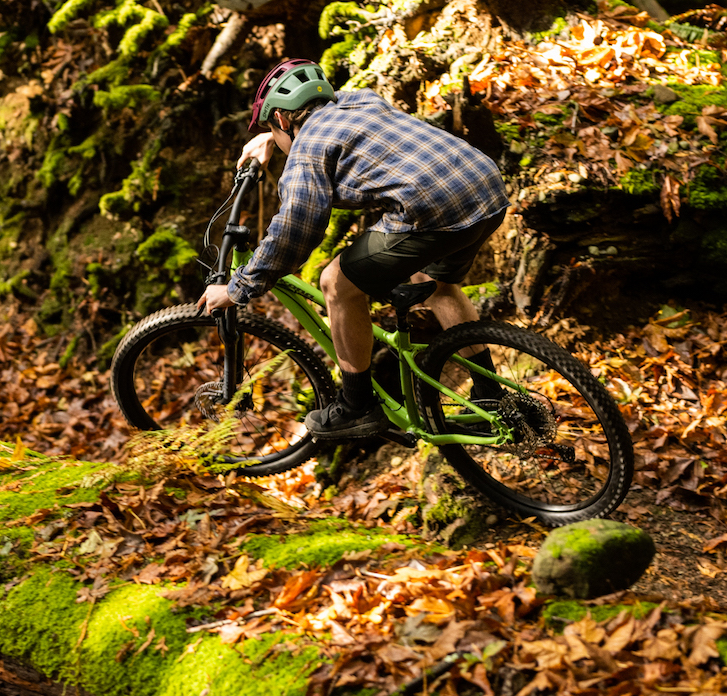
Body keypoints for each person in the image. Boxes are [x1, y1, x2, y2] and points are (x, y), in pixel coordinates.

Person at [196, 58, 510, 441]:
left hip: (431, 211)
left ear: (280, 118)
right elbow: (327, 112)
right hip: (485, 188)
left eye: (271, 128)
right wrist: (272, 137)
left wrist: (237, 288)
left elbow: (294, 231)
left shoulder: (306, 152)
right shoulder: (360, 100)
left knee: (335, 282)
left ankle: (357, 406)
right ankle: (492, 396)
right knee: (436, 284)